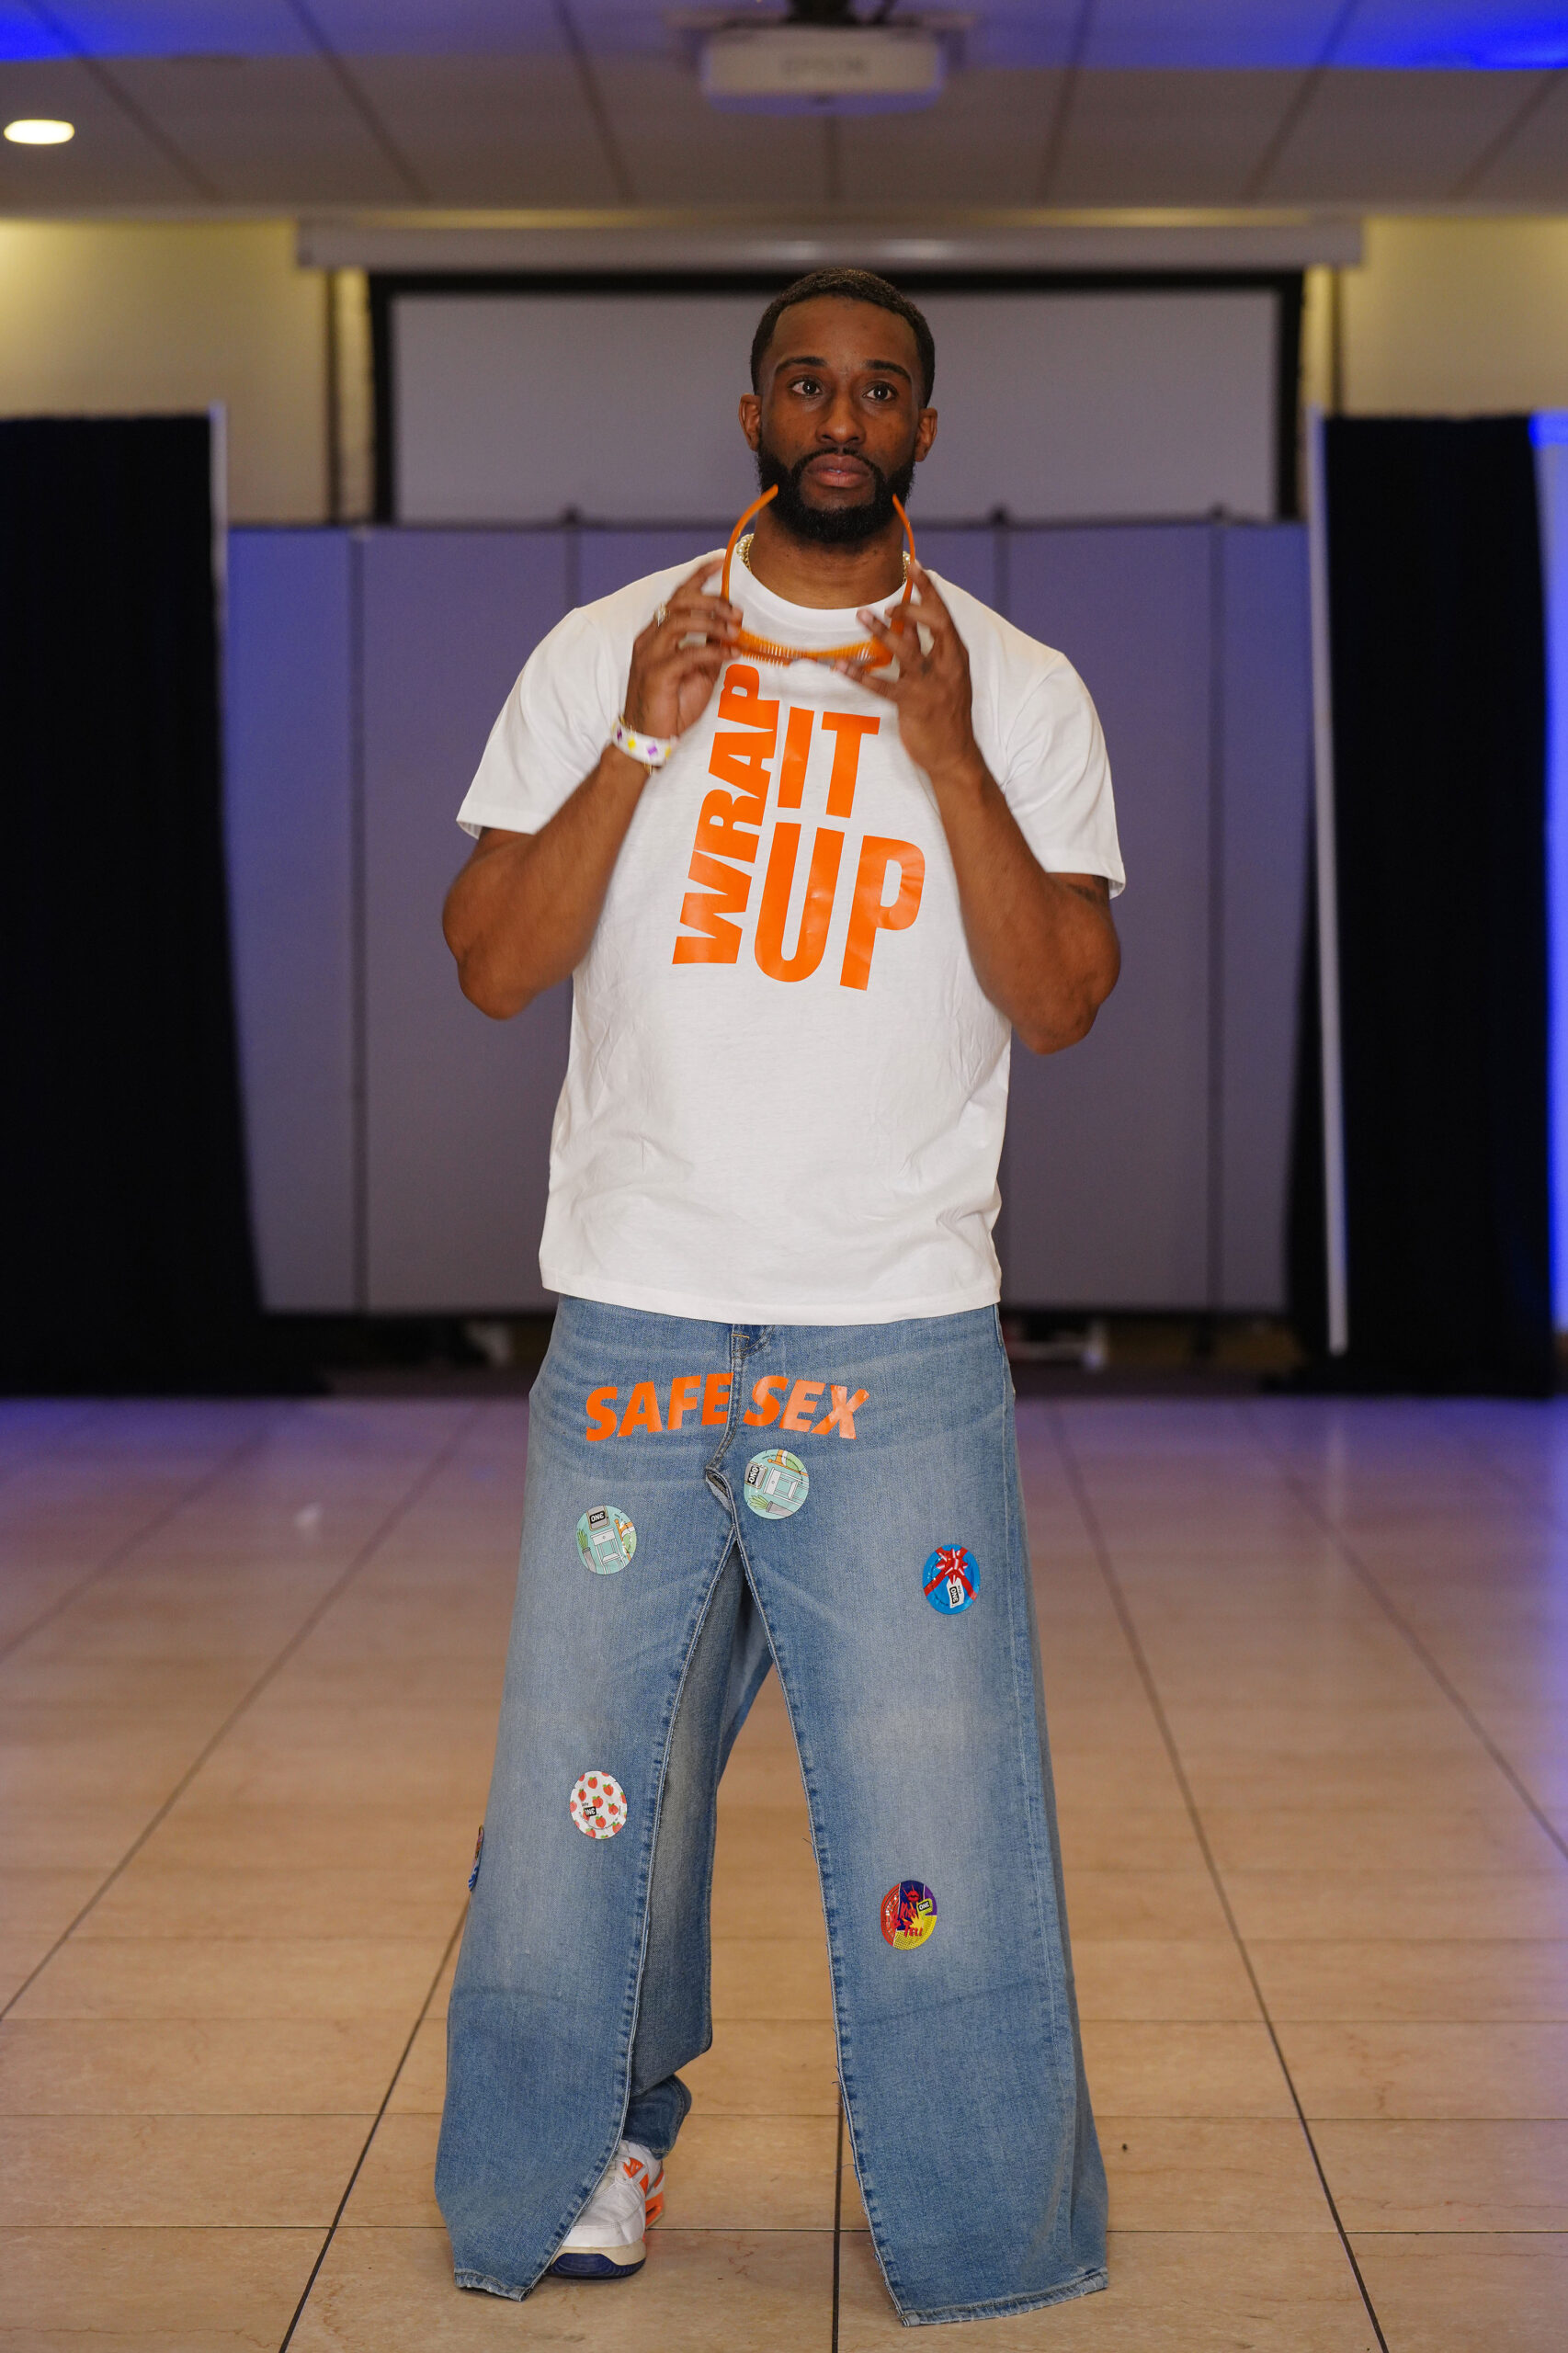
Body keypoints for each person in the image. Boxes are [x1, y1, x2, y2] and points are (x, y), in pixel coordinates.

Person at [435, 266, 1123, 2326]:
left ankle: (981, 2219)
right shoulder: (605, 649)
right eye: (805, 384)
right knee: (591, 1783)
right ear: (752, 414)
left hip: (890, 1327)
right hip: (638, 1316)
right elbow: (491, 961)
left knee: (937, 1792)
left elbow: (1062, 1000)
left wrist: (950, 756)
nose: (841, 416)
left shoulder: (1020, 684)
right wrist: (639, 741)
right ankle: (583, 2152)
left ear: (923, 431)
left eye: (879, 388)